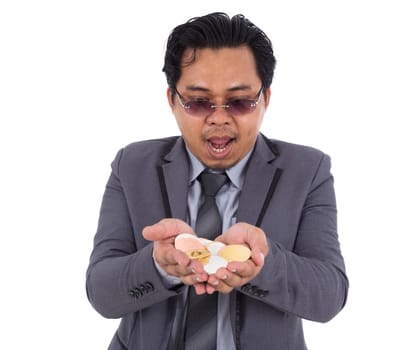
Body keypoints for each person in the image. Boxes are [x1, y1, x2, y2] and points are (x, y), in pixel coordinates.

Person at [86, 12, 348, 350]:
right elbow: (100, 293)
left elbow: (330, 296)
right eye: (197, 102)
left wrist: (262, 264)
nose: (219, 119)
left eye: (239, 102)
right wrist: (158, 265)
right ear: (173, 101)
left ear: (265, 99)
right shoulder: (133, 166)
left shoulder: (307, 170)